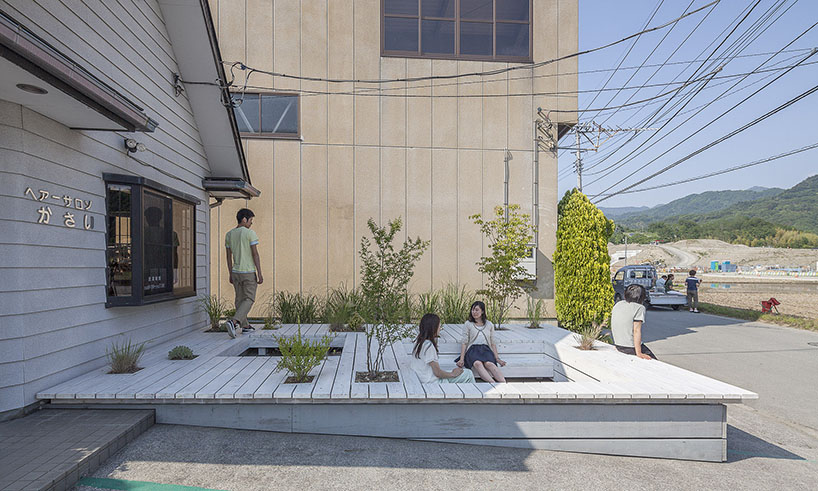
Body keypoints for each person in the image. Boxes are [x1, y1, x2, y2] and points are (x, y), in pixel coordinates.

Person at [222, 208, 263, 338]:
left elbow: (228, 256)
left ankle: (245, 326)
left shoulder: (229, 234)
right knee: (249, 299)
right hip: (248, 271)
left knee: (239, 299)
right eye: (251, 220)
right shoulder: (250, 233)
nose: (251, 223)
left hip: (235, 272)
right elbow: (255, 254)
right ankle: (234, 322)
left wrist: (230, 273)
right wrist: (260, 273)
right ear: (244, 219)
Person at [411, 313, 476, 384]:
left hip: (423, 378)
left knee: (463, 372)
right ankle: (475, 394)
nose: (440, 328)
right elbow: (437, 373)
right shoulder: (429, 346)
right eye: (439, 326)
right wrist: (453, 374)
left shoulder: (419, 342)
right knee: (468, 374)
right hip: (432, 383)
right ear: (433, 328)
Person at [456, 301, 506, 382]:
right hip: (472, 350)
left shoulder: (489, 324)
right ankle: (493, 384)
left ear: (482, 311)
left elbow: (493, 342)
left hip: (485, 350)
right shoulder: (468, 324)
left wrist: (497, 359)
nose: (474, 312)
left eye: (476, 310)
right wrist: (461, 359)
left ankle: (504, 384)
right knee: (477, 363)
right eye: (472, 310)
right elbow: (464, 342)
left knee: (489, 364)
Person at [610, 284, 657, 360]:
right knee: (655, 362)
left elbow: (616, 323)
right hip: (630, 347)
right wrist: (639, 353)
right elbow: (636, 330)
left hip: (618, 345)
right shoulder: (639, 308)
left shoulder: (618, 304)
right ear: (642, 297)